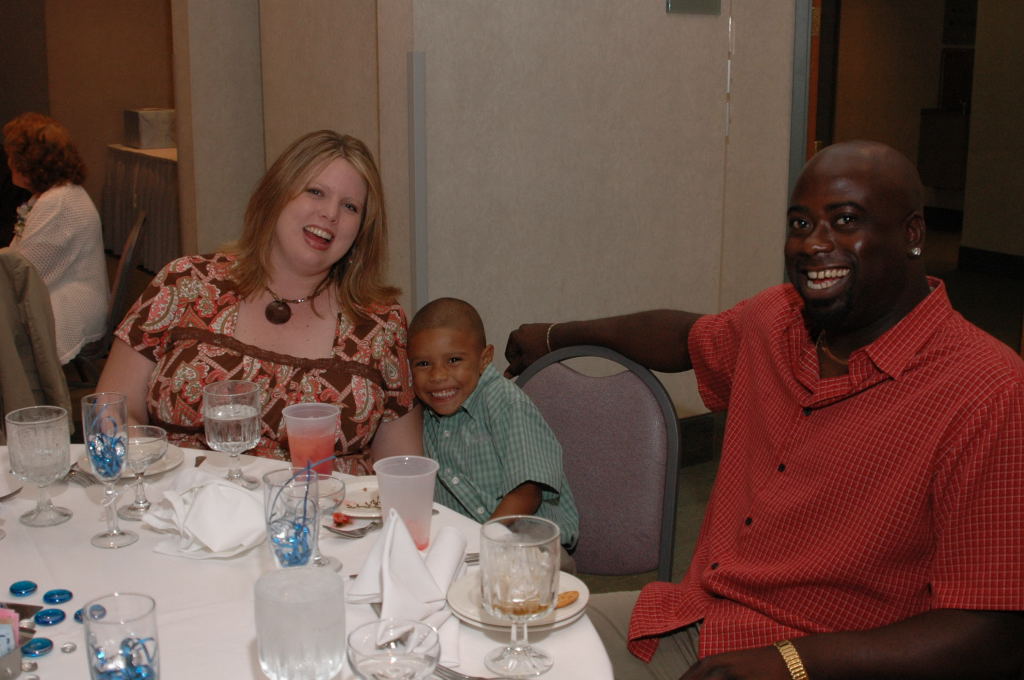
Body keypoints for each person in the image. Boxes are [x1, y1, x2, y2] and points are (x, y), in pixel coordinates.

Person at [504, 141, 1024, 679]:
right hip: (698, 618)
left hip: (835, 662)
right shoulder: (777, 322)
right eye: (800, 224)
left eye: (845, 220)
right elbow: (683, 338)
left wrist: (790, 662)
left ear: (912, 233)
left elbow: (996, 633)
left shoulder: (988, 391)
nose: (813, 243)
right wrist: (554, 336)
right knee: (492, 645)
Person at [96, 130, 421, 474]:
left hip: (322, 506)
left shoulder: (380, 325)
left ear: (361, 231)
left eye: (350, 206)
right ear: (277, 194)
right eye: (315, 191)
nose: (330, 213)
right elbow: (112, 409)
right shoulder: (186, 283)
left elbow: (403, 466)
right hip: (183, 497)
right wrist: (152, 475)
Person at [408, 297, 579, 562]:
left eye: (453, 360)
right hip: (471, 548)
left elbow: (528, 491)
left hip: (532, 547)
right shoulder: (426, 412)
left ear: (484, 359)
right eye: (423, 364)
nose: (438, 376)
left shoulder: (505, 402)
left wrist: (484, 542)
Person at [3, 113, 109, 364]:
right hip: (58, 295)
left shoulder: (58, 204)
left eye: (12, 156)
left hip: (68, 310)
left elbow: (27, 274)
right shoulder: (53, 195)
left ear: (27, 163)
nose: (8, 162)